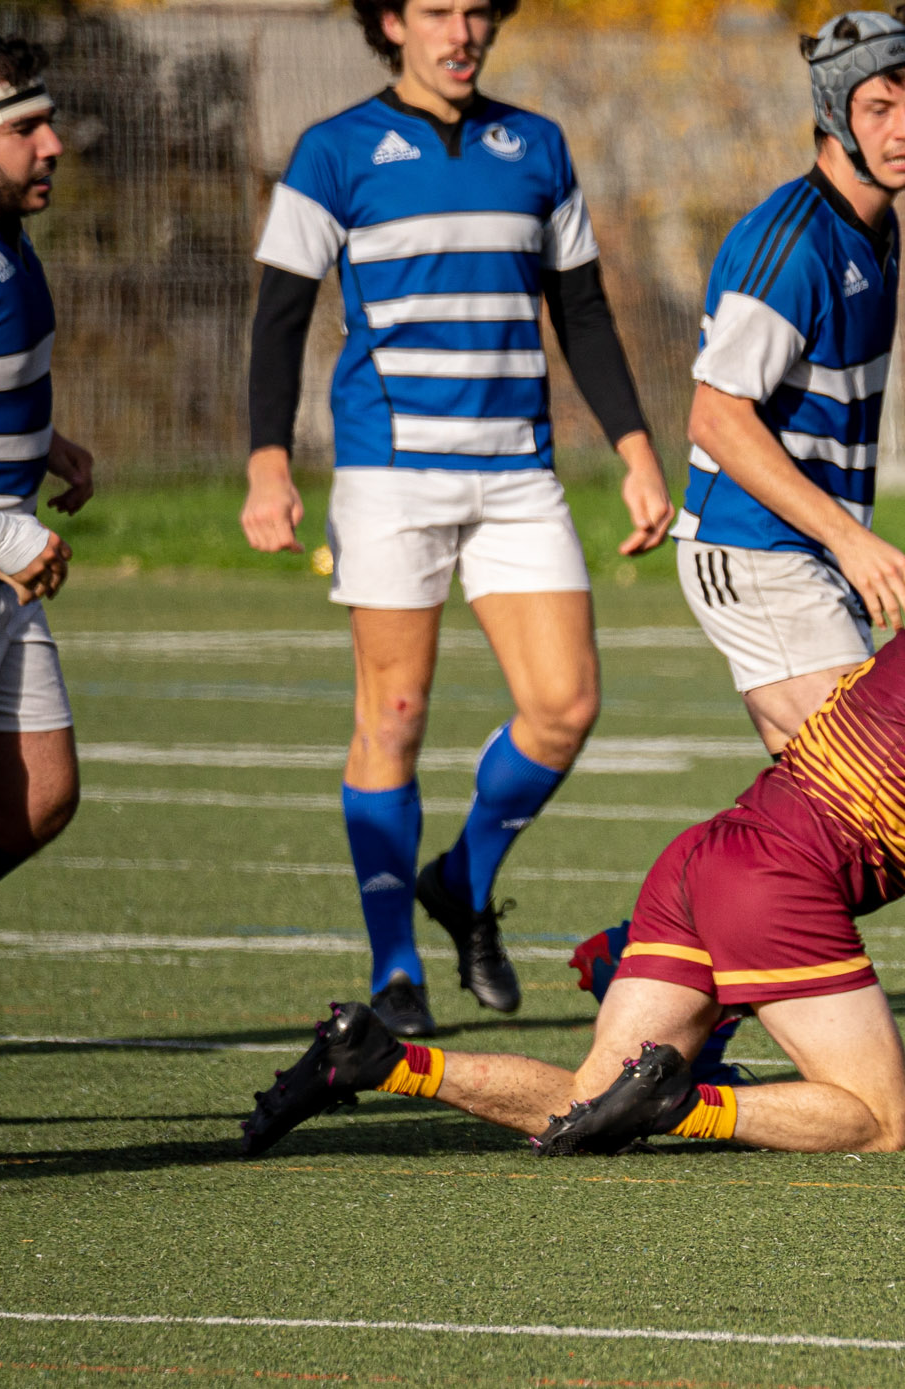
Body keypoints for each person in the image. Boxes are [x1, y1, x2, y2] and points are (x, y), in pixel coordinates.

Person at [241, 481, 905, 1158]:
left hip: (702, 861)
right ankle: (686, 1103)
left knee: (584, 1101)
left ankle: (381, 1061)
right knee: (878, 1124)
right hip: (776, 890)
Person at [239, 0, 673, 1037]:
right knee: (392, 718)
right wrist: (266, 465)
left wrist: (634, 450)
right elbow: (278, 316)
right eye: (437, 10)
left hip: (517, 475)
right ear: (390, 22)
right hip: (389, 476)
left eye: (478, 10)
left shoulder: (538, 147)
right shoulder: (334, 150)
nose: (461, 30)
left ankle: (461, 879)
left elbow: (581, 311)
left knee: (564, 705)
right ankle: (397, 972)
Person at [673, 7, 905, 756]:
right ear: (832, 114)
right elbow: (715, 419)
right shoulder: (793, 246)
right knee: (881, 778)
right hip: (754, 548)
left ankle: (714, 880)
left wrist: (844, 544)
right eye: (880, 109)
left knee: (819, 823)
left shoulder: (877, 227)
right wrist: (851, 540)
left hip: (807, 551)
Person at [0, 38, 90, 888]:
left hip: (6, 568)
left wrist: (43, 441)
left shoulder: (10, 240)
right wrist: (1, 533)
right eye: (26, 127)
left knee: (43, 791)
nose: (52, 144)